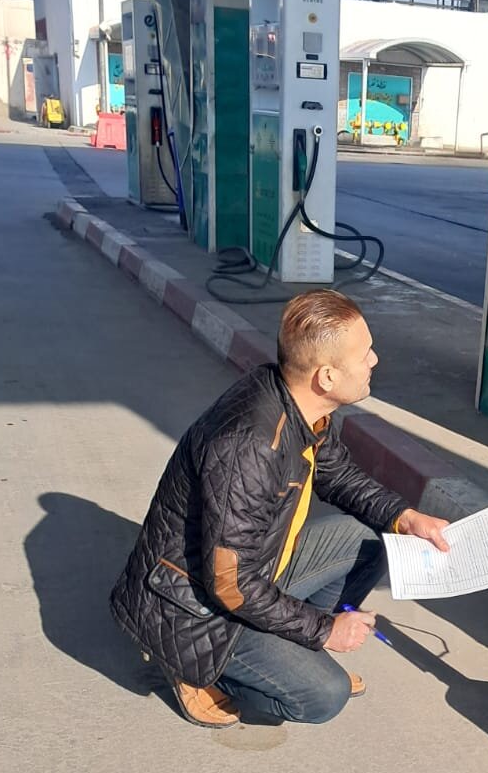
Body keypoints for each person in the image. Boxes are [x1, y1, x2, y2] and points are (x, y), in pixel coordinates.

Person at [111, 291, 449, 728]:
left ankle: (294, 648)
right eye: (365, 353)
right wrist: (325, 630)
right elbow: (230, 585)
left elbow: (338, 475)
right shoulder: (249, 447)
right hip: (197, 609)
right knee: (325, 696)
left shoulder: (298, 403)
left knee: (373, 538)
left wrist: (406, 517)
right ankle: (195, 669)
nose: (374, 360)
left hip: (255, 569)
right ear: (327, 376)